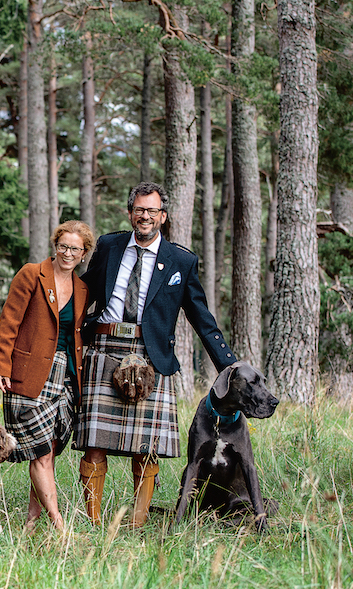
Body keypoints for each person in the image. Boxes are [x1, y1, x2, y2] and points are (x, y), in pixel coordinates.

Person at [75, 181, 237, 527]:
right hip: (105, 348)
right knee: (94, 444)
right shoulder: (109, 246)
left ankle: (136, 522)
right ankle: (93, 524)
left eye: (152, 211)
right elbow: (83, 291)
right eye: (139, 209)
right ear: (130, 212)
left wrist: (229, 365)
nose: (144, 216)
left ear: (162, 216)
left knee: (145, 446)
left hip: (151, 356)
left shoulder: (181, 260)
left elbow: (202, 318)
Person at [0, 220, 95, 532]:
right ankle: (59, 525)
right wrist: (0, 365)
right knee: (40, 453)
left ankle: (31, 523)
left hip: (65, 378)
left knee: (49, 450)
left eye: (75, 248)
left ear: (84, 253)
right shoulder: (32, 273)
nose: (67, 253)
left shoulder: (82, 289)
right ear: (55, 245)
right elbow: (10, 319)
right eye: (63, 246)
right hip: (29, 373)